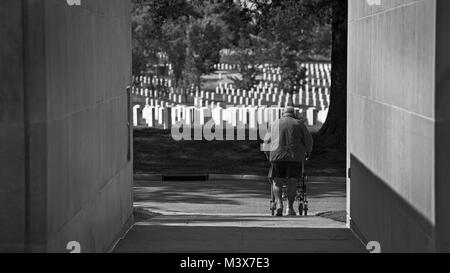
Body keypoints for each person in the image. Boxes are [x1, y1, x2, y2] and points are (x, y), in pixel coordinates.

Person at [264, 106, 313, 216]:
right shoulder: (299, 124)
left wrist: (268, 155)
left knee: (277, 182)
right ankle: (289, 208)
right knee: (292, 182)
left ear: (283, 114)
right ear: (293, 114)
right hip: (294, 157)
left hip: (277, 157)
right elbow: (308, 140)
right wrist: (308, 152)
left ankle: (279, 204)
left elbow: (266, 141)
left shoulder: (274, 124)